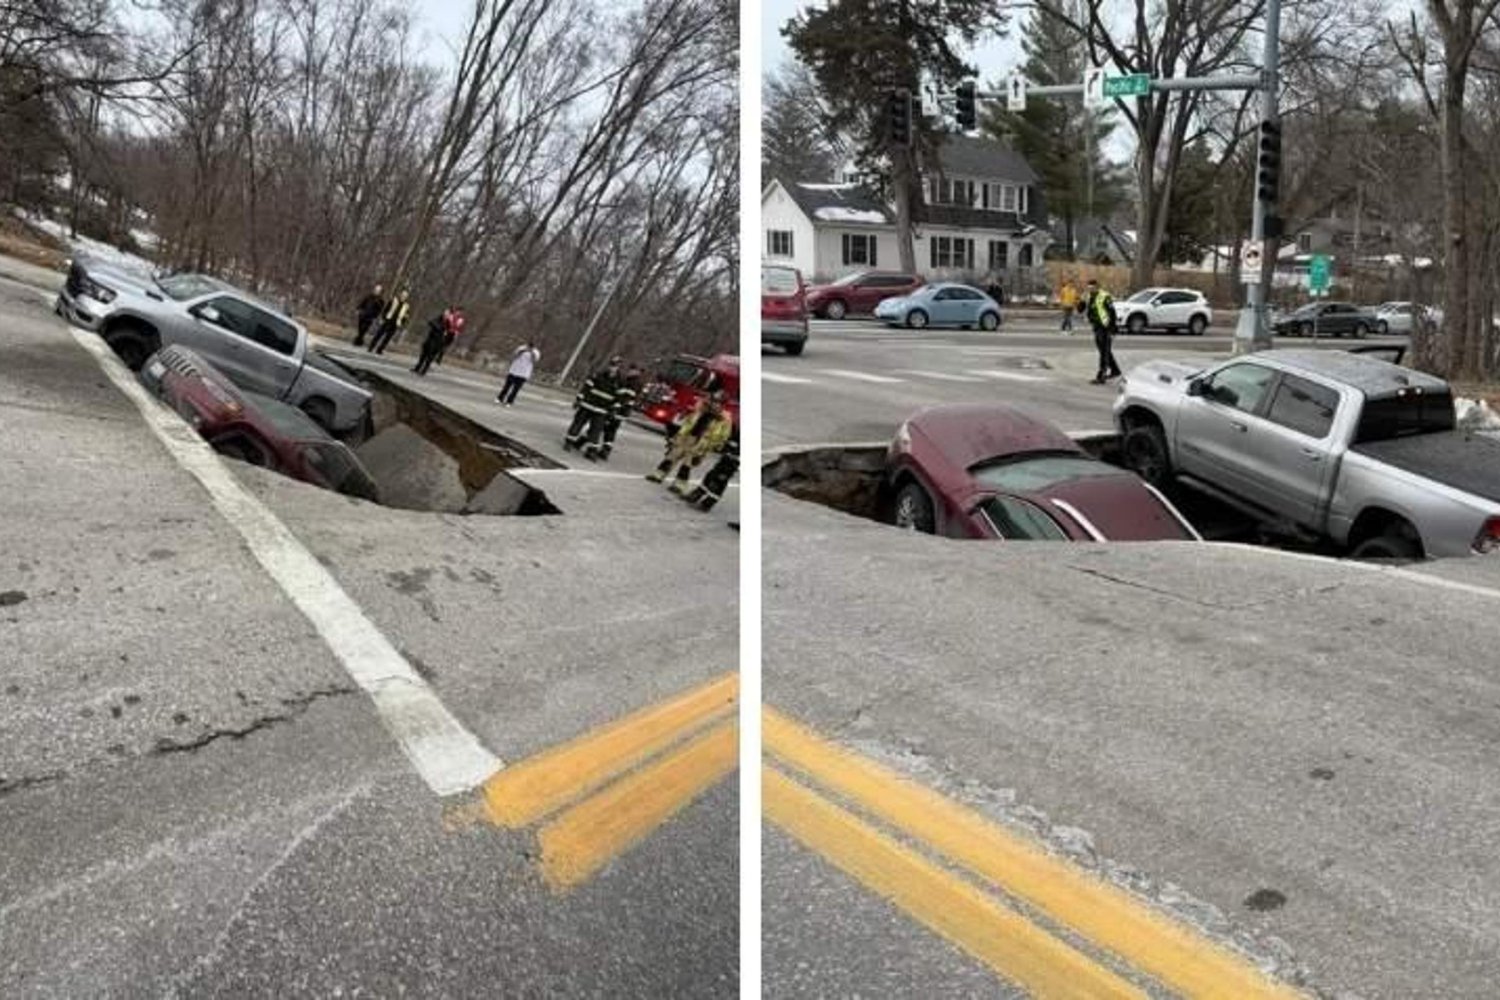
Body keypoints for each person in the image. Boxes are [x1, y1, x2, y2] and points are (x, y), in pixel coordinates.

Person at [646, 390, 733, 495]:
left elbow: (724, 434)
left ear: (722, 405)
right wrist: (677, 436)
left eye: (717, 402)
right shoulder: (701, 409)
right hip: (687, 437)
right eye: (713, 400)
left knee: (687, 464)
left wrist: (714, 445)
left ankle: (679, 485)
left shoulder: (724, 418)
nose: (713, 403)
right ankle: (658, 475)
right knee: (671, 456)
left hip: (701, 442)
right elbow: (688, 422)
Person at [564, 357, 627, 458]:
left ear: (619, 368)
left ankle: (591, 450)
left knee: (596, 430)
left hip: (601, 410)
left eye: (615, 366)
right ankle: (569, 442)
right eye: (612, 365)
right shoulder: (598, 375)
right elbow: (586, 387)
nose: (612, 368)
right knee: (577, 424)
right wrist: (579, 399)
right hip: (587, 405)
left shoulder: (620, 382)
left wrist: (614, 410)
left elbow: (619, 398)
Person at [684, 423, 738, 511]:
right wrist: (726, 447)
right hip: (727, 458)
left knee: (720, 480)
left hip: (734, 462)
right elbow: (732, 439)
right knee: (711, 475)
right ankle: (698, 493)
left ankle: (708, 502)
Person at [596, 364, 642, 462]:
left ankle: (595, 447)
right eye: (630, 369)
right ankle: (606, 450)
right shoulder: (634, 382)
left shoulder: (632, 382)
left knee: (603, 427)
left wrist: (615, 407)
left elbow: (625, 398)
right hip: (623, 411)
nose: (629, 371)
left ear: (637, 372)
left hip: (619, 410)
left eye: (632, 370)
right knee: (611, 430)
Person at [1081, 278, 1121, 384]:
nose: (1091, 290)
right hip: (1097, 327)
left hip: (1106, 327)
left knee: (1104, 352)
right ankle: (1115, 370)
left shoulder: (1105, 296)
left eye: (1093, 288)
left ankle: (1101, 376)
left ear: (1097, 287)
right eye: (1089, 288)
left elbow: (1112, 313)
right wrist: (1081, 301)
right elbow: (1080, 310)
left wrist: (1113, 329)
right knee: (1104, 351)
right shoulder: (1088, 296)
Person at [369, 287, 411, 354]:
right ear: (400, 294)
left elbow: (406, 316)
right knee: (379, 334)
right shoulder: (394, 300)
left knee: (387, 338)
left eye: (405, 296)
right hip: (388, 320)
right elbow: (386, 309)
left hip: (396, 323)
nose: (403, 297)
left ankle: (380, 349)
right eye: (403, 295)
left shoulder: (406, 306)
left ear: (407, 297)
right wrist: (383, 318)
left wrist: (402, 323)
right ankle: (371, 347)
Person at [412, 309, 451, 376]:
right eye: (445, 313)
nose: (445, 315)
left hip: (438, 342)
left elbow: (446, 331)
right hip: (431, 339)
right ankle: (417, 368)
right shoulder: (438, 319)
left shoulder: (448, 323)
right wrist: (438, 328)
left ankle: (424, 371)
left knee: (430, 357)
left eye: (447, 314)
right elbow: (431, 322)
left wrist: (442, 331)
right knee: (423, 355)